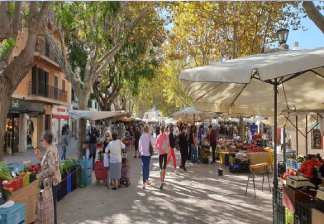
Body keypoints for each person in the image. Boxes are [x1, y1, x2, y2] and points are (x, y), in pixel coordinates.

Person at [34, 131, 61, 224]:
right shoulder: (52, 148)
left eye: (41, 140)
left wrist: (40, 175)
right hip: (54, 181)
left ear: (45, 140)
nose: (41, 142)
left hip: (52, 182)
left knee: (51, 210)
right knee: (52, 209)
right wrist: (40, 157)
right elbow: (48, 163)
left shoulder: (50, 151)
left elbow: (52, 169)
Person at [139, 125, 154, 189]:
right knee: (147, 167)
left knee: (144, 167)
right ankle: (145, 181)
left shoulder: (141, 136)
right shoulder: (149, 136)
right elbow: (153, 143)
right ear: (148, 129)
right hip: (148, 154)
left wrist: (140, 152)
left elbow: (139, 145)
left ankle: (145, 182)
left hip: (143, 154)